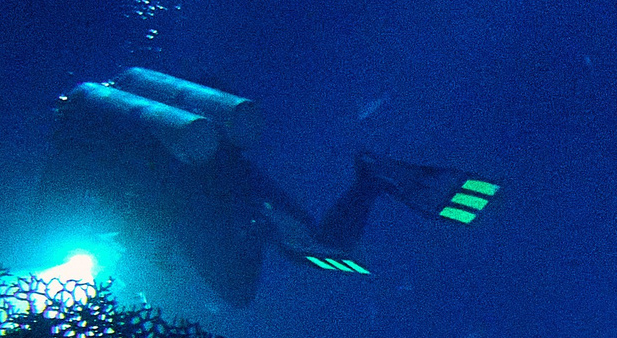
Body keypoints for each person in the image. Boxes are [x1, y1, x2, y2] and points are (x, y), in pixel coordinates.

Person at [39, 69, 500, 307]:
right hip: (236, 175)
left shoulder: (92, 142)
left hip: (197, 203)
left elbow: (71, 202)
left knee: (239, 293)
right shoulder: (150, 116)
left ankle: (260, 226)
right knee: (322, 243)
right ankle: (368, 182)